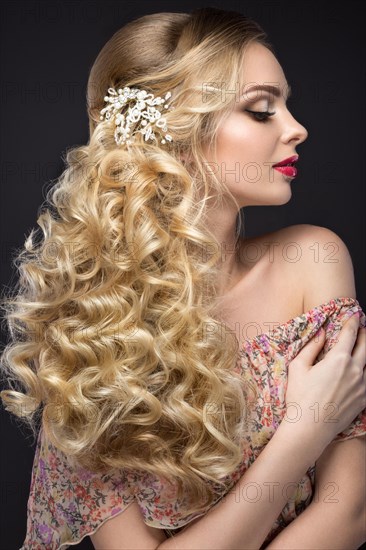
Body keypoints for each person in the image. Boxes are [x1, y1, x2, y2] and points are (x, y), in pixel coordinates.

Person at [1, 7, 365, 550]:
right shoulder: (91, 343)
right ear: (175, 134)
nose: (297, 128)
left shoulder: (312, 260)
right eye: (263, 110)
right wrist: (305, 432)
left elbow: (350, 515)